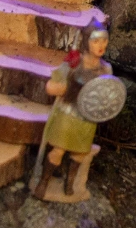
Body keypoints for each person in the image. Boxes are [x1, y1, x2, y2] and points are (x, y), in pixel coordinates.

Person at [36, 26, 115, 199]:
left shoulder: (106, 69)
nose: (101, 45)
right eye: (96, 41)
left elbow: (108, 94)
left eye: (104, 40)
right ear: (86, 42)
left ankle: (69, 183)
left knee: (79, 154)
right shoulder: (74, 63)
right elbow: (51, 86)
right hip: (68, 115)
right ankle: (43, 181)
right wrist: (63, 88)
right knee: (58, 151)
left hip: (87, 119)